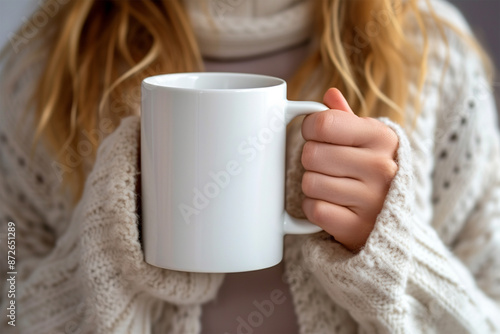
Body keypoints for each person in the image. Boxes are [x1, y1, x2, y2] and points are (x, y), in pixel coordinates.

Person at [0, 0, 499, 333]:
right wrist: (103, 246)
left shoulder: (434, 51)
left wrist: (395, 248)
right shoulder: (39, 65)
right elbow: (11, 304)